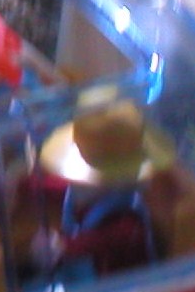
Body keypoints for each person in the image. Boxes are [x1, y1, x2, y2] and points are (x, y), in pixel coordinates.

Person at [29, 99, 176, 282]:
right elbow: (50, 187)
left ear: (116, 181)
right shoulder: (86, 194)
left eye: (85, 176)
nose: (74, 182)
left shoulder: (128, 224)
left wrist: (60, 248)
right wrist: (17, 184)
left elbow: (99, 242)